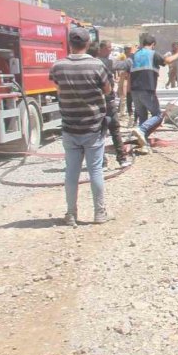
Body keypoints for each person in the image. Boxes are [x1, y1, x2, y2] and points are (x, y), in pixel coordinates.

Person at [49, 28, 112, 226]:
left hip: (69, 127)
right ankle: (99, 213)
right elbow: (107, 89)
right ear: (87, 44)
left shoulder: (58, 66)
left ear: (70, 43)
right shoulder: (96, 65)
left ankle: (71, 213)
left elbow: (57, 88)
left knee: (71, 172)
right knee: (95, 171)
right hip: (93, 127)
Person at [129, 34, 178, 128]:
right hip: (147, 90)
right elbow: (168, 60)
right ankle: (141, 131)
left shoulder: (135, 55)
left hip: (134, 91)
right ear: (153, 44)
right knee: (158, 115)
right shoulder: (152, 54)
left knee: (143, 117)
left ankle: (142, 137)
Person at [95, 40, 130, 167]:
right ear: (101, 48)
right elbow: (124, 64)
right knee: (114, 129)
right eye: (109, 48)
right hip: (107, 101)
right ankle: (121, 159)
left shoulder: (95, 62)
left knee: (99, 133)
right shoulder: (106, 62)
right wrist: (132, 56)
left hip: (97, 102)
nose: (111, 50)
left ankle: (102, 161)